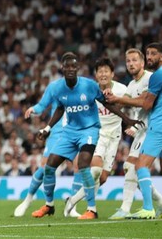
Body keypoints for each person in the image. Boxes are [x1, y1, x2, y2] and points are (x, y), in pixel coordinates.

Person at [30, 52, 141, 220]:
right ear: (62, 68)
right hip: (70, 132)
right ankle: (49, 205)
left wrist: (127, 120)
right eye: (67, 66)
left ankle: (91, 209)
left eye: (74, 66)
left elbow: (107, 104)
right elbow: (60, 108)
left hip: (90, 130)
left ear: (78, 68)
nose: (70, 69)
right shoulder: (58, 87)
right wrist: (47, 128)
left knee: (84, 165)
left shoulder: (89, 86)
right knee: (50, 165)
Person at [104, 47, 162, 218]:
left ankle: (126, 208)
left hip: (151, 127)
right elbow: (122, 104)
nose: (131, 64)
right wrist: (106, 96)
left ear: (143, 63)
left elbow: (144, 102)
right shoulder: (131, 84)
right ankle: (160, 203)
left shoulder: (150, 78)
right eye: (128, 61)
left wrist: (119, 100)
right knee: (135, 168)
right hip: (143, 129)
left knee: (134, 166)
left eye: (134, 60)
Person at [63, 57, 127, 216]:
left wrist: (132, 124)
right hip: (95, 133)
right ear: (96, 74)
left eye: (106, 71)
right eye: (100, 71)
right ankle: (90, 209)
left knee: (103, 177)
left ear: (112, 74)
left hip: (114, 137)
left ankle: (72, 200)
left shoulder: (122, 90)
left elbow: (133, 106)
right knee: (96, 169)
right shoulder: (88, 90)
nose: (103, 74)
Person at [14, 80, 68, 217]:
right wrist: (34, 109)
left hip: (77, 132)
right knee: (44, 167)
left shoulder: (84, 86)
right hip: (56, 133)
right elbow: (43, 104)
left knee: (80, 167)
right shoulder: (55, 86)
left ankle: (72, 206)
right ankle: (28, 199)